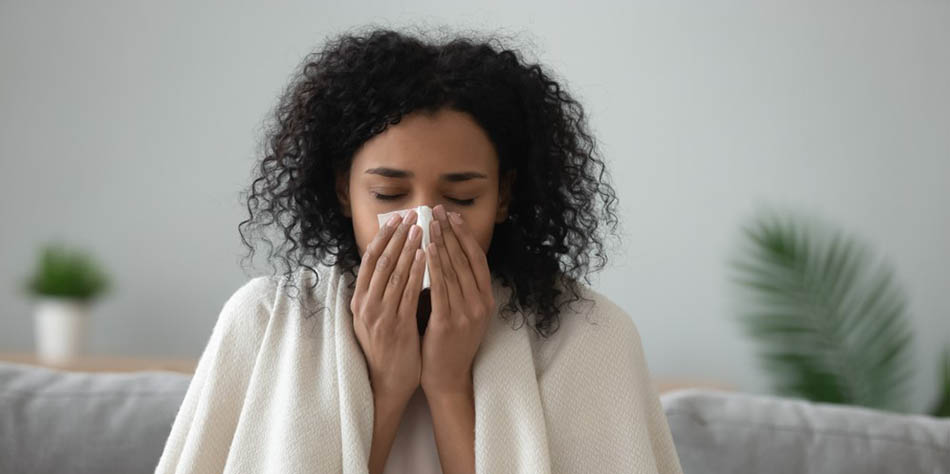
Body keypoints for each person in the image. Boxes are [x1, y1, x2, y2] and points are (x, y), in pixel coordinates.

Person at [155, 26, 684, 474]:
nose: (424, 223)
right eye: (388, 194)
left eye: (461, 197)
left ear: (503, 196)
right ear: (343, 191)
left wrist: (449, 387)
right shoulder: (267, 320)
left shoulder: (589, 334)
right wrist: (386, 387)